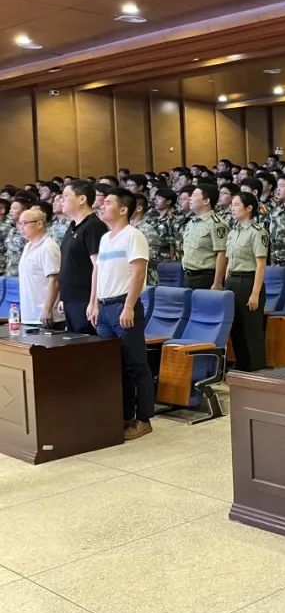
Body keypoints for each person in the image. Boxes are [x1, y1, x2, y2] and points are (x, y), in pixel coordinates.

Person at [90, 188, 156, 441]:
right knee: (113, 366)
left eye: (108, 203)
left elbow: (138, 273)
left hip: (123, 305)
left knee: (136, 364)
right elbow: (97, 272)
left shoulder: (133, 236)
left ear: (123, 209)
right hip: (104, 307)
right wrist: (93, 302)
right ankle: (125, 416)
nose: (102, 206)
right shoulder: (105, 238)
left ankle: (144, 419)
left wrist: (129, 306)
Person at [225, 192, 268, 372]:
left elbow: (261, 265)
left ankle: (256, 370)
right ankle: (242, 368)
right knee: (236, 330)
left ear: (249, 208)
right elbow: (229, 261)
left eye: (236, 205)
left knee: (251, 331)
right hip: (233, 282)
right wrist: (226, 283)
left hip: (249, 282)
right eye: (232, 204)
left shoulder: (257, 232)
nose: (232, 208)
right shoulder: (233, 232)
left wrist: (255, 293)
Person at [59, 180, 108, 334]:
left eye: (66, 196)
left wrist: (94, 301)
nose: (61, 200)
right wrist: (64, 297)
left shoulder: (94, 226)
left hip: (85, 300)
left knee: (85, 343)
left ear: (82, 199)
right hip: (71, 299)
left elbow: (98, 266)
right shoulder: (72, 226)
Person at [16, 206, 61, 327]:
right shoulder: (27, 246)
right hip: (29, 315)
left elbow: (55, 280)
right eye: (19, 223)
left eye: (25, 223)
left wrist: (47, 309)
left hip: (44, 316)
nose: (21, 227)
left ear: (39, 224)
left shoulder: (48, 247)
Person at [182, 184, 227, 289]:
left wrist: (217, 283)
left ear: (206, 201)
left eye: (194, 195)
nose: (190, 198)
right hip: (188, 276)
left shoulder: (216, 223)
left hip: (206, 277)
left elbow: (222, 254)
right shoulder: (191, 222)